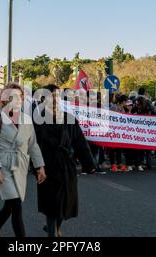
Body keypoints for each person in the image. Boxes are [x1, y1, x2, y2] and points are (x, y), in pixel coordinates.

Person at [34, 84, 97, 238]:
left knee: (65, 201)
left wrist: (89, 164)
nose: (55, 99)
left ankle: (55, 226)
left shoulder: (69, 118)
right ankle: (52, 233)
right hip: (46, 165)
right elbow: (31, 145)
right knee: (51, 203)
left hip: (66, 166)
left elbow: (80, 142)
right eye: (51, 96)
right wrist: (35, 166)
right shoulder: (37, 120)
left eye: (57, 96)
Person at [0, 83, 46, 238]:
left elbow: (33, 145)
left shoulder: (26, 119)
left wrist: (40, 166)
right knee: (16, 204)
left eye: (19, 96)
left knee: (10, 204)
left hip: (20, 165)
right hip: (3, 165)